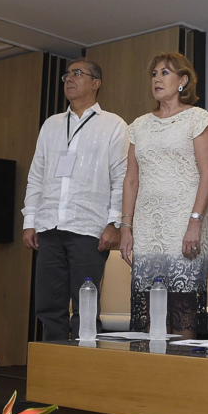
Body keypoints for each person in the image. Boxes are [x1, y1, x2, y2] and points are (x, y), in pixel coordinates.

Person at [22, 58, 129, 341]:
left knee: (86, 308)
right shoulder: (51, 124)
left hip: (88, 229)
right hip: (49, 226)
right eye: (67, 74)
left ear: (96, 83)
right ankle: (52, 364)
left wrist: (114, 224)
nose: (69, 78)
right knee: (48, 306)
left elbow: (121, 177)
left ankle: (85, 364)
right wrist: (30, 221)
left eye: (78, 73)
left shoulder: (114, 124)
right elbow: (36, 174)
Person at [118, 53, 208, 338]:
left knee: (182, 307)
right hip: (147, 227)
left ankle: (182, 365)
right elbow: (131, 180)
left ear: (183, 80)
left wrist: (195, 223)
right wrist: (125, 227)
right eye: (154, 74)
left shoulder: (197, 118)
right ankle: (153, 365)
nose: (157, 79)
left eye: (165, 73)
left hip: (183, 224)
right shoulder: (139, 125)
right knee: (152, 308)